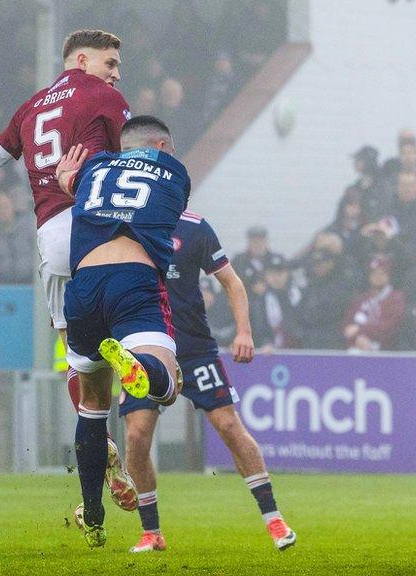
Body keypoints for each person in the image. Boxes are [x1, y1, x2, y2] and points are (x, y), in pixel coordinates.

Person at [0, 29, 137, 509]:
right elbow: (133, 157)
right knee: (133, 305)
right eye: (110, 63)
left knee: (74, 351)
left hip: (51, 237)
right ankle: (130, 351)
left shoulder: (30, 107)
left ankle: (100, 448)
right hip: (93, 221)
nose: (117, 74)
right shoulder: (104, 96)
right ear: (81, 59)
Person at [118, 208, 296, 553]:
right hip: (146, 348)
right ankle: (151, 532)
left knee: (229, 425)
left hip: (194, 348)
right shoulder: (125, 222)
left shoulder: (195, 227)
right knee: (137, 435)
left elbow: (231, 281)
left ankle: (274, 520)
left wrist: (244, 330)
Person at [56, 116, 189, 547]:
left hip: (82, 287)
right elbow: (155, 208)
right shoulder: (173, 171)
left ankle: (93, 517)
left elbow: (84, 194)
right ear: (162, 145)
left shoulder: (95, 168)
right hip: (132, 278)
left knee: (92, 407)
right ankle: (143, 368)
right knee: (166, 384)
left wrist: (66, 180)